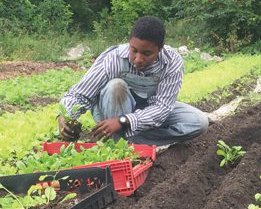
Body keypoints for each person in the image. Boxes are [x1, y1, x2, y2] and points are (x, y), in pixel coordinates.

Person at [58, 16, 209, 146]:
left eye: (147, 53)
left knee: (199, 122)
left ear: (160, 48)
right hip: (112, 108)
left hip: (145, 108)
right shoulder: (114, 58)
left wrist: (124, 120)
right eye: (134, 50)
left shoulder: (171, 62)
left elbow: (162, 107)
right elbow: (80, 95)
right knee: (116, 86)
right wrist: (65, 116)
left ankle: (129, 141)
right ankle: (120, 141)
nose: (138, 59)